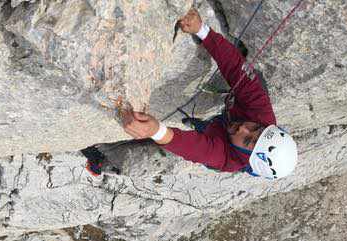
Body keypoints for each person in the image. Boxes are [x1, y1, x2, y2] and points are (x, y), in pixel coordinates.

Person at [122, 8, 298, 179]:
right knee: (253, 81)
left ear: (244, 154)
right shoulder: (261, 114)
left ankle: (197, 125)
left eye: (247, 141)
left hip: (218, 137)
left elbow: (194, 147)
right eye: (256, 129)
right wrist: (203, 31)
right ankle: (207, 121)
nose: (243, 128)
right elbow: (236, 68)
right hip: (236, 110)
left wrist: (155, 130)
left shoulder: (227, 158)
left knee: (202, 133)